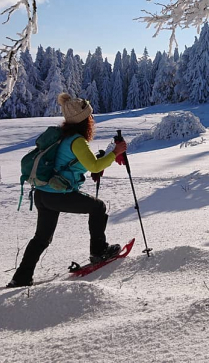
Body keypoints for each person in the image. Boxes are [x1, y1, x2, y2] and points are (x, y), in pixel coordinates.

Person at [7, 93, 127, 288]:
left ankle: (21, 277)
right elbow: (94, 166)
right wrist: (115, 152)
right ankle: (99, 252)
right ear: (84, 120)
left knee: (41, 238)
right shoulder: (77, 141)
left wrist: (97, 162)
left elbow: (78, 163)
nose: (92, 120)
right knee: (98, 207)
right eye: (90, 117)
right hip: (57, 196)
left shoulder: (63, 136)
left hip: (42, 194)